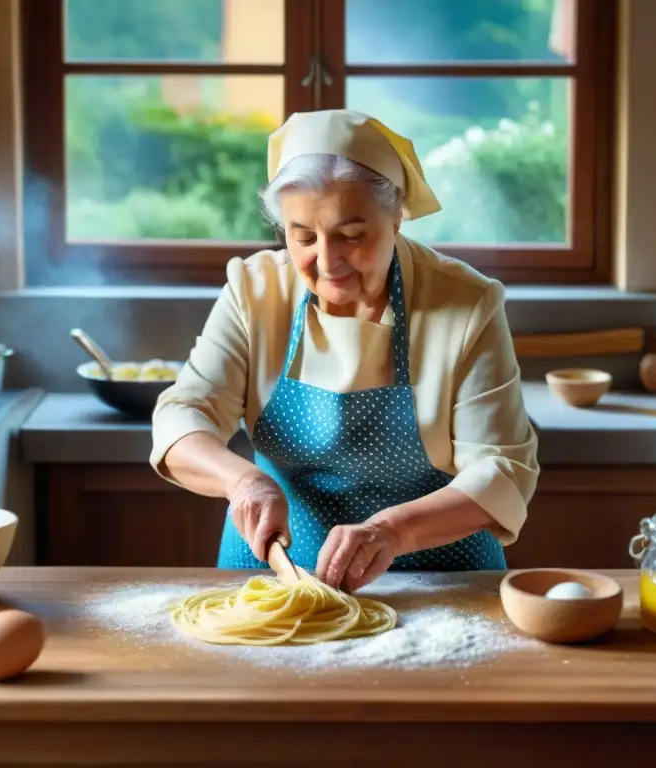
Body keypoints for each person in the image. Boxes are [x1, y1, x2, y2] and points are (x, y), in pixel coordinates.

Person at [149, 109, 539, 592]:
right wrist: (243, 482)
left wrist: (391, 530)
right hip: (276, 575)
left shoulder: (465, 303)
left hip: (440, 579)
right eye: (303, 237)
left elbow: (503, 470)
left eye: (352, 236)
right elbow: (183, 415)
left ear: (396, 216)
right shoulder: (253, 290)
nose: (328, 262)